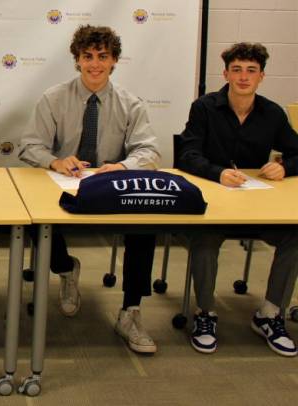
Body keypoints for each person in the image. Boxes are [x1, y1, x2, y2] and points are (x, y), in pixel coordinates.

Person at [19, 25, 160, 354]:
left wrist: (123, 166)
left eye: (103, 57)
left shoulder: (131, 103)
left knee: (146, 228)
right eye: (87, 57)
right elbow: (30, 146)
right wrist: (55, 161)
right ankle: (66, 269)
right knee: (36, 220)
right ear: (77, 60)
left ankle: (131, 311)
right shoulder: (53, 98)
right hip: (65, 185)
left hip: (113, 187)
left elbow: (149, 152)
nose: (94, 64)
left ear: (114, 61)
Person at [177, 42, 298, 357]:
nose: (243, 77)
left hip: (257, 207)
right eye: (237, 70)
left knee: (295, 236)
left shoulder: (272, 113)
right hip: (214, 204)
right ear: (226, 73)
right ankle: (205, 313)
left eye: (251, 71)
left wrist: (284, 165)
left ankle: (270, 314)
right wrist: (217, 173)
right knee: (204, 239)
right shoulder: (204, 107)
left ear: (261, 77)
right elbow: (187, 155)